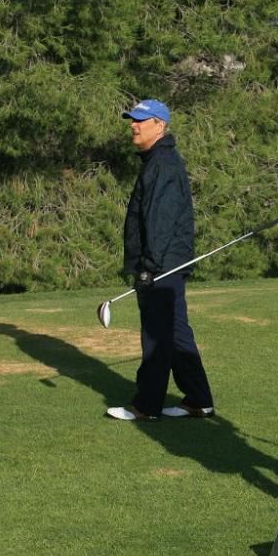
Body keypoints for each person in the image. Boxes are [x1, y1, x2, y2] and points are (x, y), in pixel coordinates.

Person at [106, 99, 215, 421]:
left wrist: (149, 267)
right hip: (168, 262)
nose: (133, 124)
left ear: (160, 125)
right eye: (132, 119)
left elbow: (159, 221)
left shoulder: (162, 164)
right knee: (176, 331)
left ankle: (147, 405)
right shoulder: (157, 160)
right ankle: (198, 399)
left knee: (156, 334)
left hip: (162, 264)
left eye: (141, 119)